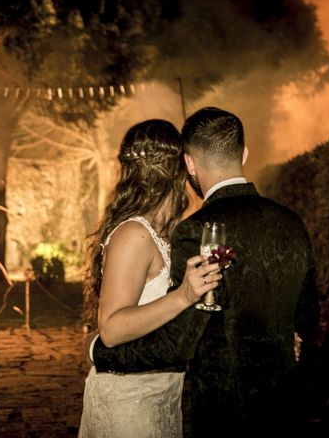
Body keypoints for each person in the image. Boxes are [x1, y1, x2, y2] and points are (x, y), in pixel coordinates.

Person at [91, 107, 320, 434]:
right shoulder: (292, 222)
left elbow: (178, 343)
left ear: (189, 163)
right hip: (286, 405)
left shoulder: (196, 230)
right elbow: (308, 317)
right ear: (244, 153)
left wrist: (100, 352)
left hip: (225, 410)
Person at [78, 119, 222, 437]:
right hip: (129, 405)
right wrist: (183, 295)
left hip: (161, 395)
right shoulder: (134, 235)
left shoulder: (163, 233)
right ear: (179, 169)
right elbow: (112, 328)